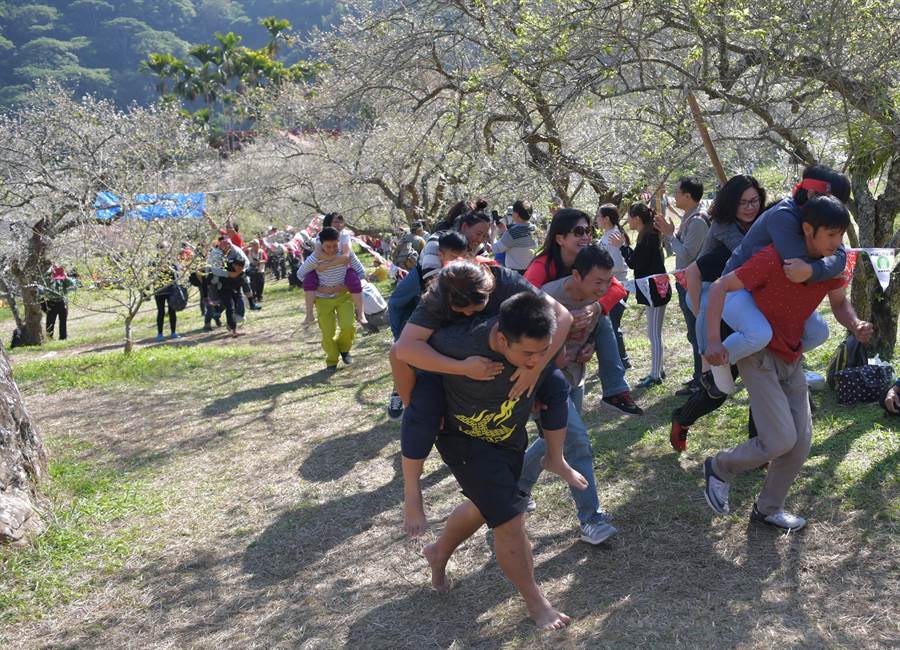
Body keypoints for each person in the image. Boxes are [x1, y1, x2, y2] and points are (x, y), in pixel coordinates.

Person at [702, 195, 873, 531]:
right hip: (760, 357)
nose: (838, 244)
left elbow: (840, 305)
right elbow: (721, 286)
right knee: (780, 439)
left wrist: (855, 325)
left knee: (800, 443)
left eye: (842, 236)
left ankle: (768, 508)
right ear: (807, 229)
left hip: (792, 356)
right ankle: (721, 466)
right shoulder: (774, 258)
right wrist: (711, 340)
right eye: (831, 235)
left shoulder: (831, 264)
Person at [422, 292, 579, 630]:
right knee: (509, 519)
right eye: (528, 353)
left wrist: (556, 456)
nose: (537, 359)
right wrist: (419, 411)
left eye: (543, 350)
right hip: (462, 442)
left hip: (507, 439)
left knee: (486, 506)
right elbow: (402, 353)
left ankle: (438, 551)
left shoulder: (536, 352)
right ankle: (537, 605)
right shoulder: (457, 343)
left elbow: (552, 382)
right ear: (501, 338)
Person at [393, 260, 574, 538]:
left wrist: (535, 372)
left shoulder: (505, 280)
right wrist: (462, 368)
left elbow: (562, 317)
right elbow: (402, 350)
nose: (467, 315)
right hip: (445, 364)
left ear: (490, 291)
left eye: (474, 309)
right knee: (422, 412)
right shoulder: (436, 298)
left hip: (513, 361)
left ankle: (556, 456)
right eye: (460, 311)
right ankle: (412, 492)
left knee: (557, 383)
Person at [707, 164, 851, 395]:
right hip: (739, 288)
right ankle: (720, 359)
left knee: (818, 331)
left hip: (772, 293)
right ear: (813, 195)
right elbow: (797, 270)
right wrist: (822, 268)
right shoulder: (784, 215)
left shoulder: (821, 224)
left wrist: (818, 268)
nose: (835, 211)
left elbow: (837, 257)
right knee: (759, 334)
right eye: (831, 201)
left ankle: (785, 364)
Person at [519, 244, 620, 544]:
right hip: (546, 383)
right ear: (576, 275)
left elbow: (595, 329)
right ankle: (592, 519)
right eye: (597, 282)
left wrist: (587, 349)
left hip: (575, 378)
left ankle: (517, 489)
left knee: (551, 440)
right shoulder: (548, 297)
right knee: (577, 443)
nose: (603, 289)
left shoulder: (596, 300)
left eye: (606, 282)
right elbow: (526, 344)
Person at [669, 175, 766, 452]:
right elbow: (696, 271)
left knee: (761, 380)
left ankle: (758, 448)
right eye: (742, 202)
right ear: (730, 204)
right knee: (718, 388)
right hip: (714, 304)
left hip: (749, 308)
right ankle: (683, 418)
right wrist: (702, 314)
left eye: (754, 201)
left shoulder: (762, 224)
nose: (750, 207)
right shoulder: (724, 229)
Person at [525, 209, 642, 416]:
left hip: (576, 353)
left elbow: (617, 288)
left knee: (602, 317)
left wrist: (594, 314)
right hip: (545, 348)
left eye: (588, 230)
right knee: (563, 435)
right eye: (578, 231)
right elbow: (523, 303)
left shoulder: (589, 260)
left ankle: (615, 391)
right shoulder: (543, 266)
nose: (586, 236)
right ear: (560, 238)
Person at [386, 231, 468, 419]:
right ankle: (400, 393)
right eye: (453, 257)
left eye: (461, 257)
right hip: (422, 317)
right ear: (441, 254)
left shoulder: (467, 265)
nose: (457, 260)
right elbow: (397, 303)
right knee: (404, 354)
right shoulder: (429, 267)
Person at [655, 177, 709, 394]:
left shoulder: (697, 221)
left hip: (694, 284)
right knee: (693, 332)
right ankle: (700, 376)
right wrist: (670, 233)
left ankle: (703, 380)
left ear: (688, 196)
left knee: (698, 332)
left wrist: (670, 234)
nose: (673, 196)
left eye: (677, 192)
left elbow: (687, 255)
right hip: (685, 281)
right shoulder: (688, 217)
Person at [609, 202, 668, 388]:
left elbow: (635, 263)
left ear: (637, 218)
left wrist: (622, 246)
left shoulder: (649, 237)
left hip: (656, 291)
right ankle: (658, 369)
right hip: (653, 289)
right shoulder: (647, 235)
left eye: (629, 217)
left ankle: (655, 374)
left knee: (654, 335)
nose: (628, 221)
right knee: (654, 333)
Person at [297, 227, 367, 370]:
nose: (331, 249)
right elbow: (300, 274)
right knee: (328, 333)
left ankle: (344, 349)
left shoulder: (345, 255)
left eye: (335, 245)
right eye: (327, 246)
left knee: (348, 326)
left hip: (343, 297)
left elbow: (361, 272)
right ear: (320, 244)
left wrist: (346, 287)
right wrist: (319, 288)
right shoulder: (314, 258)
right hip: (323, 300)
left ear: (339, 243)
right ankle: (332, 359)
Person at [302, 213, 367, 327]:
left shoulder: (344, 235)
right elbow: (318, 254)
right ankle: (309, 314)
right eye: (336, 222)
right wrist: (319, 267)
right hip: (322, 275)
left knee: (353, 278)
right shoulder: (320, 237)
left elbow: (347, 256)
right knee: (309, 279)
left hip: (342, 271)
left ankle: (361, 314)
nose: (339, 224)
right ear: (328, 224)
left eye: (341, 222)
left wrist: (330, 264)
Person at [595, 203, 631, 368]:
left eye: (598, 216)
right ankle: (618, 359)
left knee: (613, 324)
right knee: (610, 324)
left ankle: (623, 361)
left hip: (617, 285)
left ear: (607, 219)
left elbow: (616, 264)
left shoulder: (614, 235)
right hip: (609, 285)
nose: (596, 219)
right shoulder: (607, 234)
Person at [206, 235, 248, 337]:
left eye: (228, 245)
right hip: (222, 285)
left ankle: (230, 324)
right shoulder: (216, 254)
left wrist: (239, 271)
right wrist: (229, 274)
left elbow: (246, 262)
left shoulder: (236, 251)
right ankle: (233, 329)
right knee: (230, 307)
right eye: (224, 245)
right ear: (220, 246)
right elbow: (214, 270)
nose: (227, 247)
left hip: (236, 283)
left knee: (237, 303)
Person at [492, 200, 538, 274]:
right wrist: (505, 231)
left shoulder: (512, 233)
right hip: (531, 271)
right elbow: (518, 241)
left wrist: (493, 233)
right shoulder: (535, 229)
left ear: (516, 214)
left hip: (515, 274)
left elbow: (495, 249)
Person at [151, 243, 180, 341]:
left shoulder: (172, 260)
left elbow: (177, 273)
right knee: (161, 312)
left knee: (172, 311)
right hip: (159, 291)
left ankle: (173, 332)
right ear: (158, 249)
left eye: (165, 248)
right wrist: (158, 269)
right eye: (161, 248)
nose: (164, 250)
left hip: (171, 290)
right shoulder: (153, 261)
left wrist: (171, 268)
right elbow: (150, 275)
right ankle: (160, 334)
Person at [43, 265, 75, 340]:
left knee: (63, 321)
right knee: (50, 321)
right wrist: (49, 272)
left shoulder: (62, 279)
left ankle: (63, 337)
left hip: (61, 301)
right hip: (51, 302)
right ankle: (49, 337)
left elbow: (71, 284)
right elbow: (43, 281)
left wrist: (65, 276)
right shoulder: (48, 279)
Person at [247, 239, 267, 308]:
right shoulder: (248, 251)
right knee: (252, 284)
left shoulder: (261, 251)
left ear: (258, 245)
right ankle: (254, 297)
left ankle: (259, 296)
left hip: (260, 270)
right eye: (253, 244)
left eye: (255, 244)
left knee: (261, 283)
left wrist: (259, 262)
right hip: (251, 270)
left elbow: (266, 259)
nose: (254, 246)